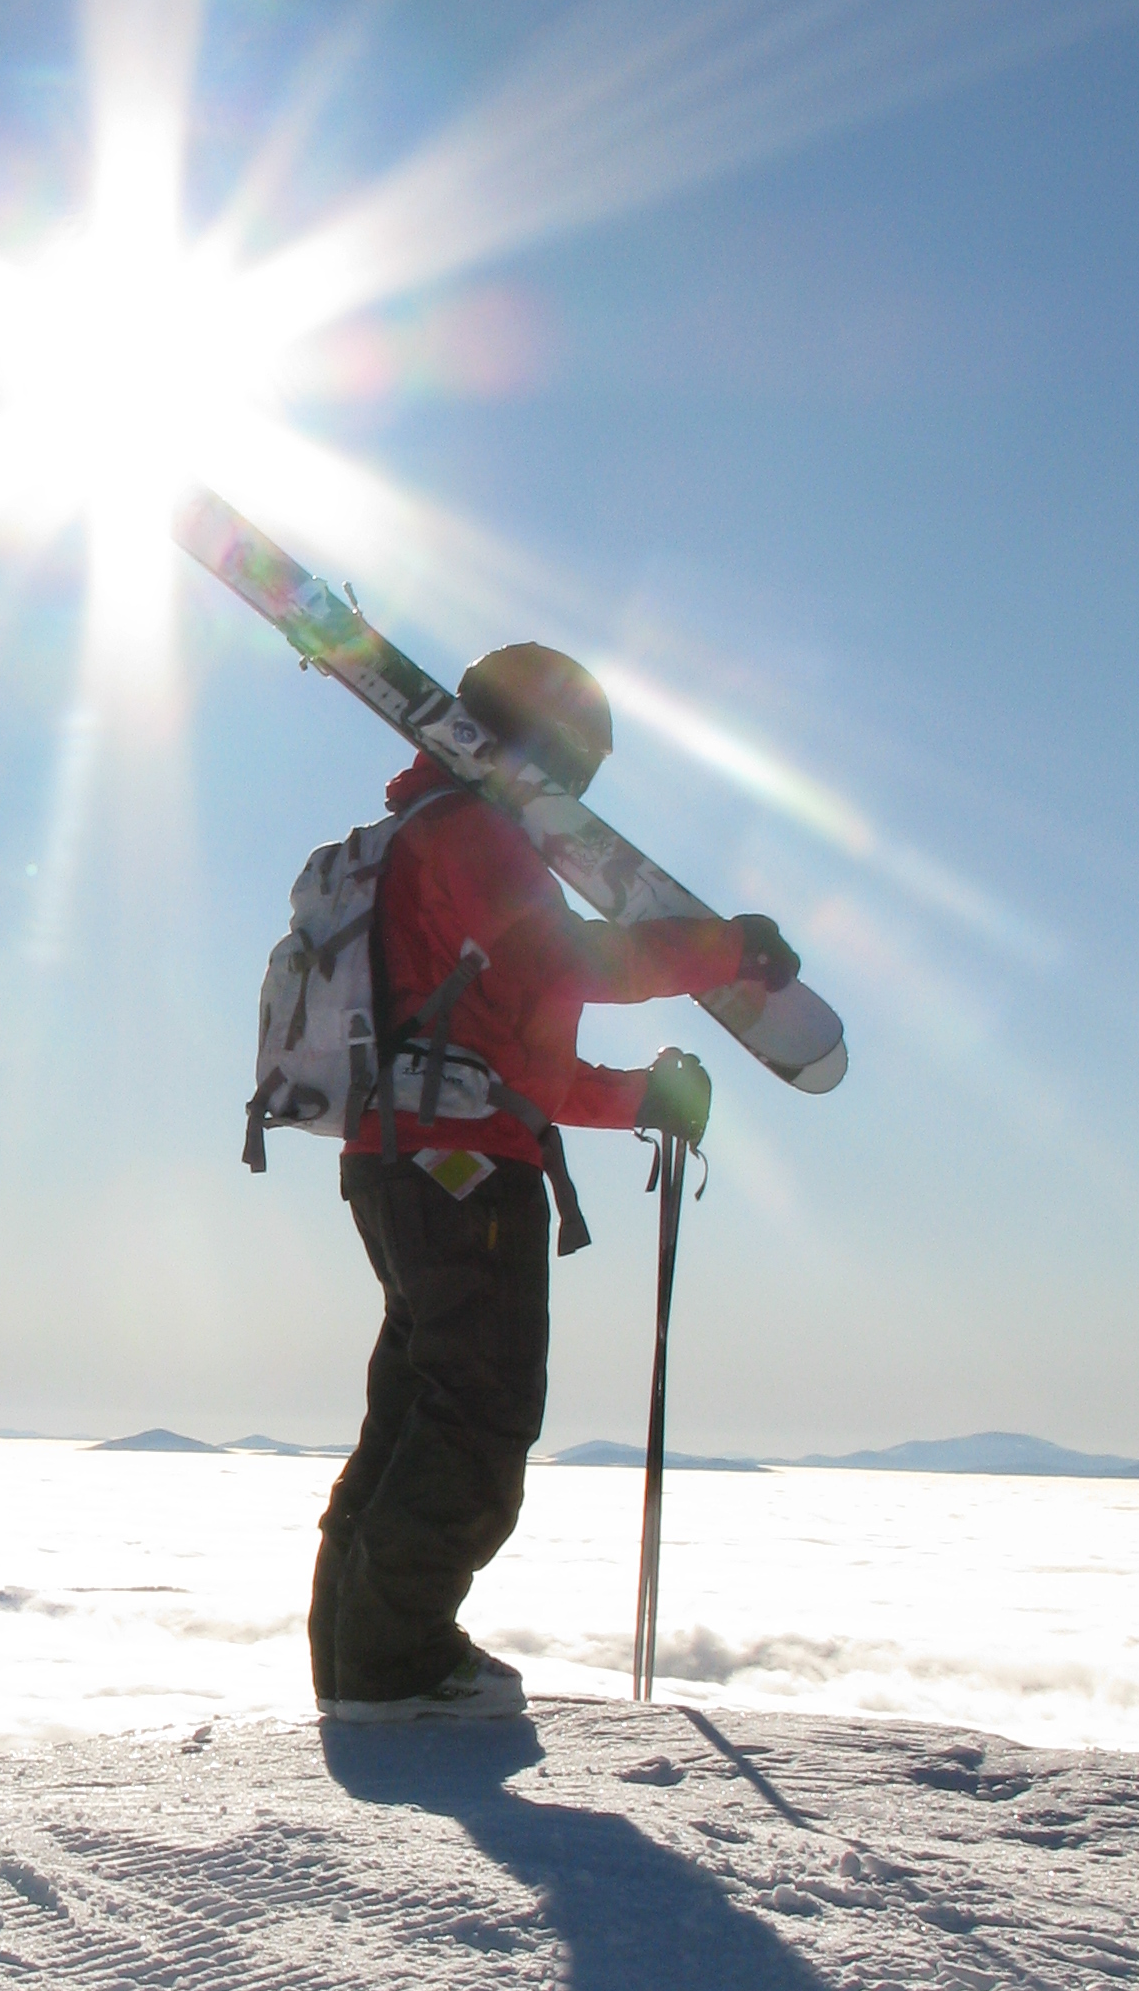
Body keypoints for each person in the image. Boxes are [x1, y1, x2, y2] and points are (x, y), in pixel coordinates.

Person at [312, 642, 799, 1723]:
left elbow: (529, 1060)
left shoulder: (424, 838)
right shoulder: (479, 839)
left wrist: (641, 1103)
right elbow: (563, 966)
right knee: (477, 1415)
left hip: (402, 1160)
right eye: (578, 761)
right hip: (463, 1174)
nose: (580, 790)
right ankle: (395, 1667)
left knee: (417, 1411)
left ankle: (364, 1664)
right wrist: (720, 952)